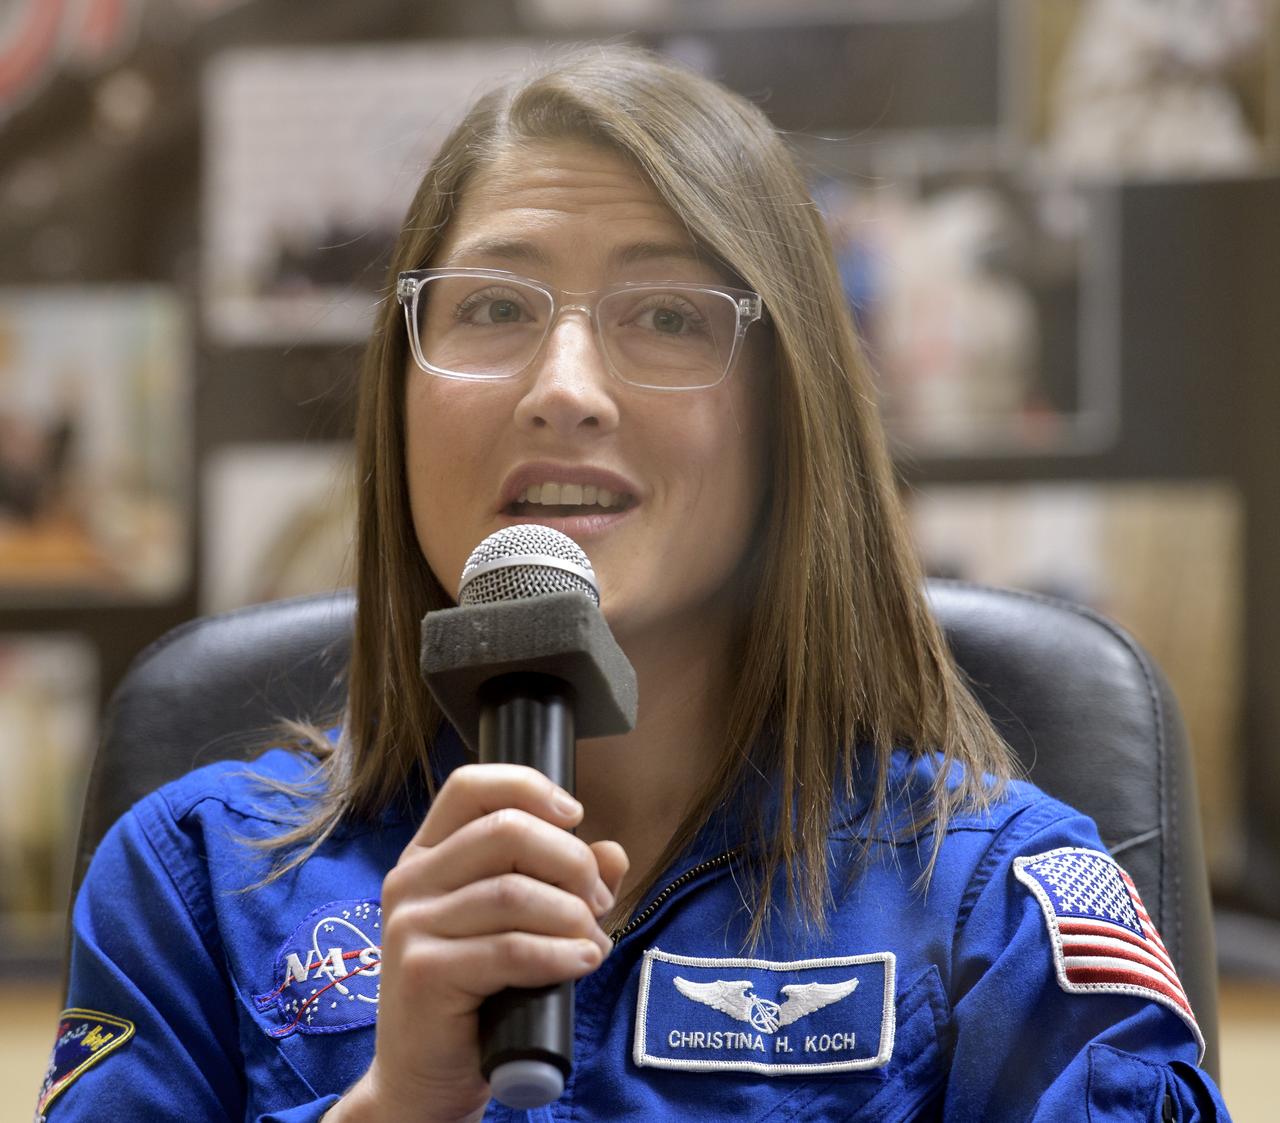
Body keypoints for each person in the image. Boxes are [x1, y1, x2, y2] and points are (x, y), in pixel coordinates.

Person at [44, 45, 1230, 1122]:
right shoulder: (197, 876)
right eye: (493, 307)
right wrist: (395, 1106)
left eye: (665, 315)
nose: (564, 388)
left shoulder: (998, 899)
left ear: (786, 410)